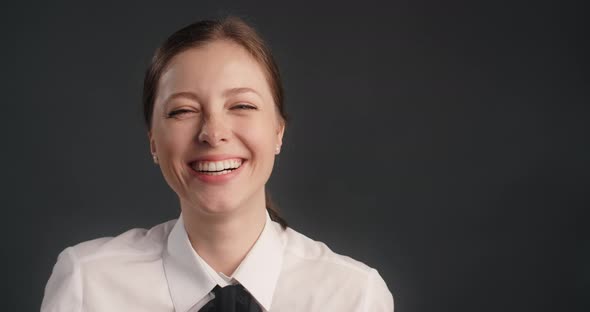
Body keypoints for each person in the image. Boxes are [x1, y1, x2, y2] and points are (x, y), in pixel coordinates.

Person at [41, 16, 394, 312]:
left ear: (278, 132)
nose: (213, 133)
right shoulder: (88, 284)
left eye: (242, 106)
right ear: (153, 141)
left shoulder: (354, 296)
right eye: (182, 110)